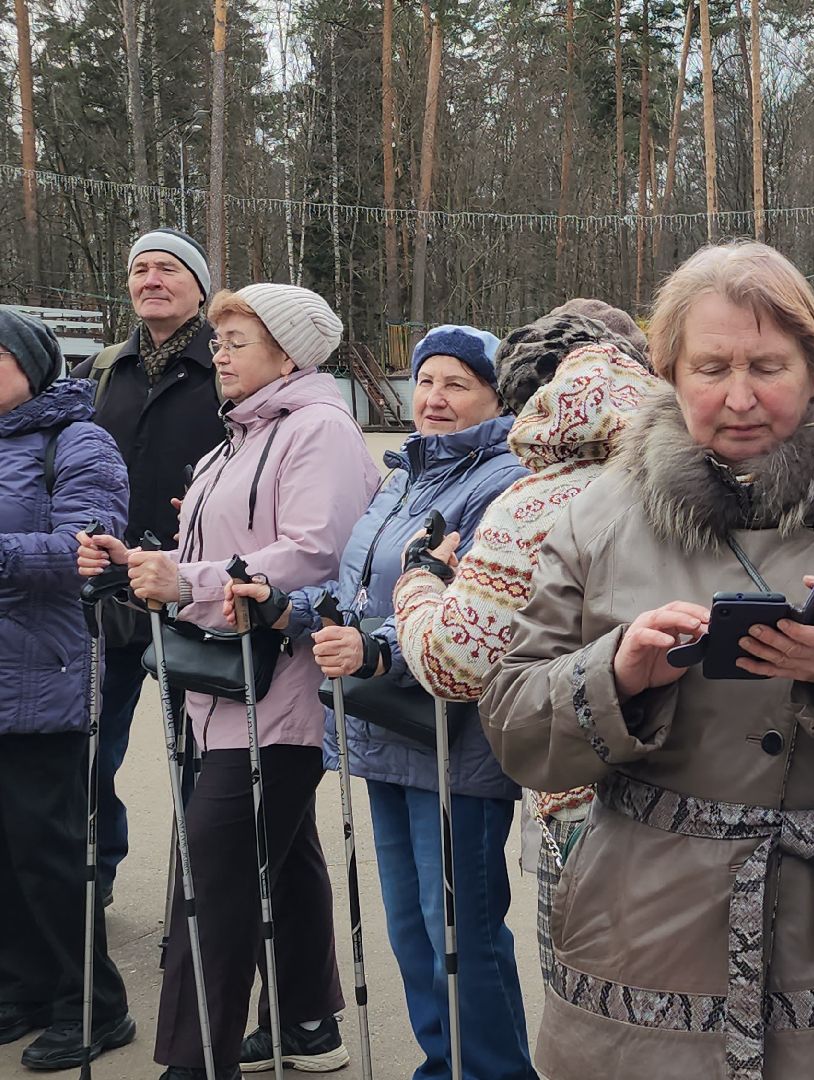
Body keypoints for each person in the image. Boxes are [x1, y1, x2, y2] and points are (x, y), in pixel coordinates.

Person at [479, 241, 814, 1079]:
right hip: (647, 927)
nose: (739, 397)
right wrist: (617, 674)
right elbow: (515, 725)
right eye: (710, 368)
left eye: (768, 365)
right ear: (669, 372)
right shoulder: (601, 514)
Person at [78, 283, 381, 1079]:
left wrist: (187, 579)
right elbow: (217, 542)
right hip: (217, 688)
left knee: (211, 876)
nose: (218, 353)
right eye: (218, 341)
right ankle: (306, 1023)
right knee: (280, 852)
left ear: (289, 351)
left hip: (281, 691)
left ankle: (194, 1060)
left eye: (237, 339)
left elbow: (316, 556)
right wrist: (144, 560)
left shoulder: (320, 430)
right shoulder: (233, 440)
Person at [228, 324, 534, 1078]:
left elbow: (479, 605)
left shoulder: (505, 482)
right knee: (409, 927)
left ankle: (492, 1069)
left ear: (498, 396)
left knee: (459, 929)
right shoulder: (401, 475)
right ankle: (442, 1063)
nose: (433, 398)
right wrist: (289, 609)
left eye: (457, 384)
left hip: (454, 735)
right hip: (384, 724)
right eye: (426, 381)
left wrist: (380, 648)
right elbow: (352, 587)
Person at [388, 312, 661, 988]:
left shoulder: (533, 501)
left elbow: (454, 663)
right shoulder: (712, 474)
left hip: (584, 800)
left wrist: (418, 584)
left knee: (593, 1007)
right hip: (716, 799)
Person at [69, 229, 227, 906]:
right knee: (89, 750)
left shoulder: (225, 365)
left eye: (167, 268)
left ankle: (195, 901)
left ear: (199, 286)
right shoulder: (102, 370)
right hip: (105, 592)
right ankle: (90, 883)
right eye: (140, 269)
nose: (151, 279)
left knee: (200, 759)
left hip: (190, 595)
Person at [0, 311, 134, 1069]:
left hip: (41, 676)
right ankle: (21, 988)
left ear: (31, 364)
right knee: (1, 853)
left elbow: (89, 551)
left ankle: (93, 1004)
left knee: (47, 851)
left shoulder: (76, 440)